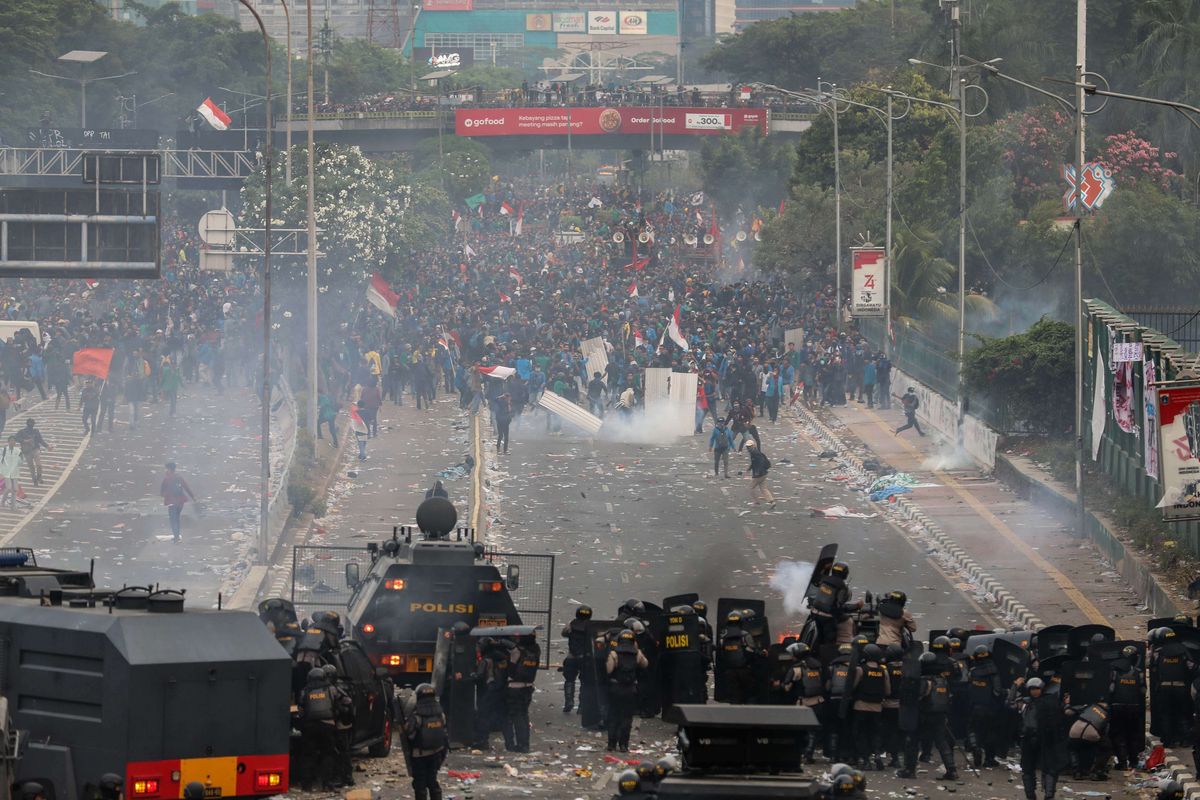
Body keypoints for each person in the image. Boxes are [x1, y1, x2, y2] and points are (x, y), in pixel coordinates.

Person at [1009, 676, 1066, 800]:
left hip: (1047, 739)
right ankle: (1030, 796)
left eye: (1037, 689)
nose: (1034, 691)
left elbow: (1060, 715)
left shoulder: (1050, 701)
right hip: (1029, 739)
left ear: (1042, 689)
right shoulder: (1025, 702)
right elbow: (1009, 703)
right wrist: (1015, 686)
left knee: (1050, 768)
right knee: (1028, 769)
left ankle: (1049, 795)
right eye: (1032, 689)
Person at [296, 667, 339, 791]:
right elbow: (339, 703)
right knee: (328, 754)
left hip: (310, 727)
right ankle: (327, 783)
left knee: (308, 755)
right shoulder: (331, 689)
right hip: (328, 726)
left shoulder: (305, 691)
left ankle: (307, 784)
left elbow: (301, 709)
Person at [606, 628, 648, 752]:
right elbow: (645, 664)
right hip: (630, 690)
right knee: (627, 718)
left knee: (613, 716)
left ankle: (611, 744)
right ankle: (624, 745)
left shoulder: (614, 654)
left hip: (616, 688)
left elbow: (608, 670)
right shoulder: (637, 653)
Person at [405, 683, 448, 800]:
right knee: (432, 782)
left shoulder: (417, 716)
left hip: (419, 756)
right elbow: (444, 734)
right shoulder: (440, 714)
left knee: (420, 785)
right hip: (436, 754)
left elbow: (410, 735)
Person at [851, 643, 890, 770]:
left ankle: (865, 760)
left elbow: (853, 686)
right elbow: (888, 691)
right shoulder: (883, 671)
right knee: (875, 733)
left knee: (861, 733)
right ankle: (877, 755)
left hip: (861, 706)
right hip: (877, 707)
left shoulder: (860, 669)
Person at [505, 633, 540, 752]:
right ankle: (524, 744)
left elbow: (511, 666)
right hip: (528, 687)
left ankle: (516, 745)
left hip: (515, 687)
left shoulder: (517, 651)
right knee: (524, 716)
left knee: (514, 716)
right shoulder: (536, 651)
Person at [562, 605, 593, 714]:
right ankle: (582, 706)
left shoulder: (571, 624)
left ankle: (568, 702)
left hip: (571, 656)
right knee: (584, 683)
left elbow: (564, 633)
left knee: (569, 680)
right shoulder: (590, 626)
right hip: (585, 657)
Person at [160, 462, 197, 543]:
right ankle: (176, 535)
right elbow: (186, 487)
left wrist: (164, 494)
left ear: (169, 469)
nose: (165, 470)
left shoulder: (167, 479)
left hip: (172, 502)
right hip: (181, 501)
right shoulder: (179, 477)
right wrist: (193, 497)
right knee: (176, 518)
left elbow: (162, 491)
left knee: (173, 520)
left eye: (166, 468)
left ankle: (176, 537)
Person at [14, 418, 50, 487]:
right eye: (30, 423)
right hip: (27, 451)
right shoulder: (22, 432)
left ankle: (39, 477)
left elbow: (40, 440)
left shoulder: (36, 431)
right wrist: (24, 441)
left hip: (35, 449)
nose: (31, 425)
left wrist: (47, 446)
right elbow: (15, 438)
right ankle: (34, 480)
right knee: (31, 467)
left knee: (39, 465)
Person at [745, 440, 775, 509]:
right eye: (747, 447)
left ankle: (756, 502)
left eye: (749, 446)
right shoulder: (754, 452)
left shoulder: (756, 453)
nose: (748, 448)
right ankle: (772, 501)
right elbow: (754, 463)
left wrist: (757, 471)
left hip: (759, 474)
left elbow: (760, 463)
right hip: (764, 473)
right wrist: (749, 468)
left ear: (753, 446)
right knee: (764, 488)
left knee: (751, 488)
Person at [0, 436, 21, 510]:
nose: (13, 442)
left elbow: (21, 460)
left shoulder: (18, 451)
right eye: (11, 441)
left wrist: (19, 460)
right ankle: (3, 501)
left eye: (14, 441)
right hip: (7, 472)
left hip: (15, 472)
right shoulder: (3, 450)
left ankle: (13, 506)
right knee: (8, 488)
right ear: (8, 442)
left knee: (15, 489)